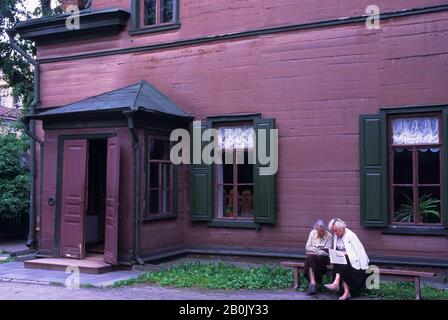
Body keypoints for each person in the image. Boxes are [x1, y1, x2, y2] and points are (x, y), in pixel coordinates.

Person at [324, 218, 370, 300]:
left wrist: (345, 254)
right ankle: (344, 290)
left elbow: (359, 251)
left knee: (343, 264)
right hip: (342, 263)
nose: (335, 233)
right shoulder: (336, 235)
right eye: (333, 231)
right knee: (341, 264)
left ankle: (337, 284)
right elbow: (336, 250)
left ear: (341, 228)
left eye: (336, 230)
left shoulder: (350, 235)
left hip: (355, 263)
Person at [304, 219, 332, 295]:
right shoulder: (312, 233)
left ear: (325, 229)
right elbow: (307, 247)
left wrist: (314, 250)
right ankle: (313, 283)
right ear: (316, 229)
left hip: (324, 258)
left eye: (323, 230)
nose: (321, 232)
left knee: (311, 258)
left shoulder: (329, 236)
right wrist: (319, 250)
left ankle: (312, 284)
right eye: (319, 231)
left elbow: (327, 251)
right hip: (313, 257)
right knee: (311, 258)